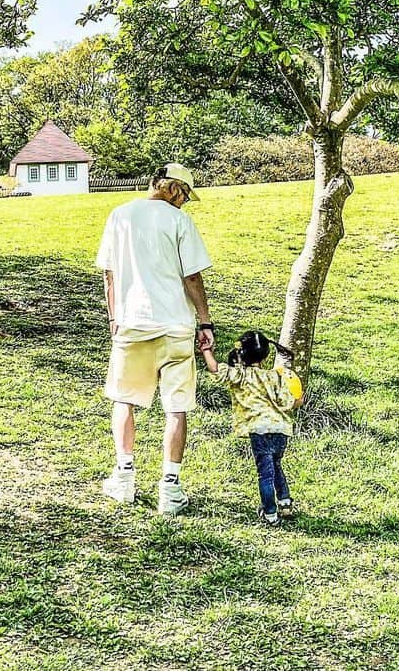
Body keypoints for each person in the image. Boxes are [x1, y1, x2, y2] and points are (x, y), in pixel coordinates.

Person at [96, 162, 214, 515]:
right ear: (176, 190)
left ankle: (125, 476)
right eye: (185, 196)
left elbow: (110, 274)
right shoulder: (179, 222)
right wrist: (205, 322)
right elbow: (191, 278)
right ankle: (170, 488)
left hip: (133, 322)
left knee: (124, 399)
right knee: (176, 407)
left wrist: (114, 318)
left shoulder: (120, 215)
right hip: (175, 324)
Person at [200, 329, 303, 525]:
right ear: (266, 354)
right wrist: (299, 399)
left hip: (259, 430)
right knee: (276, 466)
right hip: (280, 430)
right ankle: (285, 503)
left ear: (242, 354)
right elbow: (289, 401)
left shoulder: (239, 375)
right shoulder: (275, 377)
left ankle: (270, 513)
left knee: (265, 473)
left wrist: (206, 351)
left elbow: (216, 370)